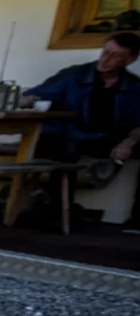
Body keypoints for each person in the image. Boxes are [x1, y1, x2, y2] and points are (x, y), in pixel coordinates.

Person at [25, 32, 140, 228]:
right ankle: (60, 211)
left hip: (105, 140)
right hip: (67, 135)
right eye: (105, 52)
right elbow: (35, 94)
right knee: (66, 146)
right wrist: (27, 100)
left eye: (115, 56)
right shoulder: (74, 75)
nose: (105, 59)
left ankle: (137, 221)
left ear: (130, 60)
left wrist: (128, 142)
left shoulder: (134, 86)